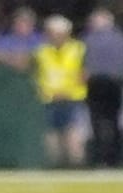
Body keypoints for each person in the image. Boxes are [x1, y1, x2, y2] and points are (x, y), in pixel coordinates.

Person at [35, 14, 89, 169]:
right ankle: (54, 165)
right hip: (50, 98)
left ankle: (76, 165)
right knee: (51, 135)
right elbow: (37, 75)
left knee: (74, 133)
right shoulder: (41, 51)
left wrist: (66, 91)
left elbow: (84, 74)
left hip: (72, 97)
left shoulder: (78, 49)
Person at [82, 8, 123, 169]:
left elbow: (84, 64)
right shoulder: (121, 38)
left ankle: (102, 159)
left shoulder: (89, 39)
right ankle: (117, 159)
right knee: (115, 121)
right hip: (116, 83)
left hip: (97, 83)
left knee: (98, 122)